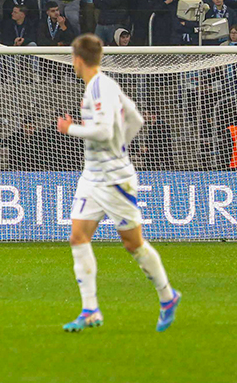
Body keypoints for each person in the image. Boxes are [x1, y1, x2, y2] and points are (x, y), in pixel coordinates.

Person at [58, 34, 181, 332]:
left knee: (133, 243)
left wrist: (70, 128)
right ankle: (90, 310)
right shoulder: (104, 84)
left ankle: (167, 296)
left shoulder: (100, 87)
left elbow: (102, 131)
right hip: (92, 176)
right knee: (77, 237)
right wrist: (120, 146)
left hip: (113, 179)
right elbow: (136, 119)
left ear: (77, 59)